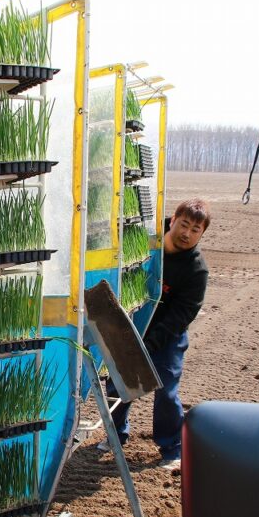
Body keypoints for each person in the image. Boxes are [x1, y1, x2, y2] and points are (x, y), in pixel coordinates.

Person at [101, 198, 210, 471]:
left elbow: (181, 316)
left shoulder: (196, 270)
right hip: (131, 324)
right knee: (118, 384)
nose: (187, 233)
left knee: (166, 390)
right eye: (183, 224)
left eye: (195, 230)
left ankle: (172, 447)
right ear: (173, 220)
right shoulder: (147, 241)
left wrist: (149, 344)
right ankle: (115, 435)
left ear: (202, 234)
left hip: (166, 336)